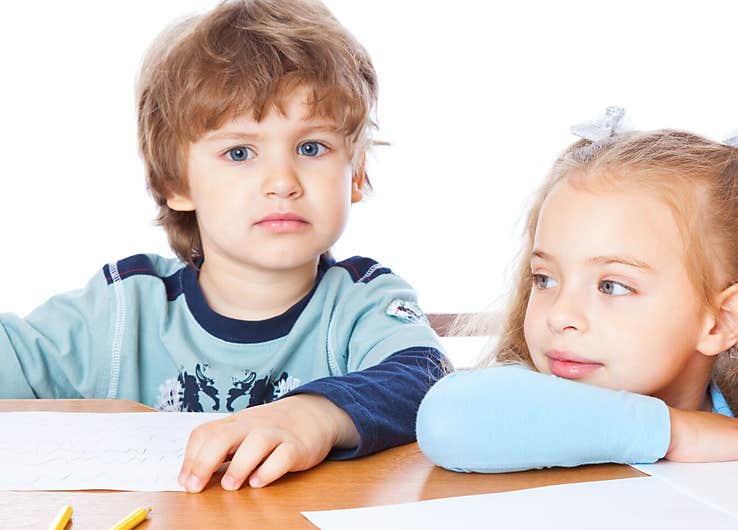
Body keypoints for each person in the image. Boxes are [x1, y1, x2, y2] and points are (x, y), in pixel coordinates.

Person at [0, 0, 448, 491]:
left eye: (311, 147)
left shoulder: (364, 303)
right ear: (176, 181)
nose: (282, 181)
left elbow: (426, 379)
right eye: (240, 152)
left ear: (355, 174)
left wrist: (315, 416)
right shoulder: (124, 310)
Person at [416, 108, 738, 473]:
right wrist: (677, 432)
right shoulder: (515, 401)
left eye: (611, 285)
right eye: (545, 279)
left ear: (721, 319)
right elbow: (446, 419)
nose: (560, 315)